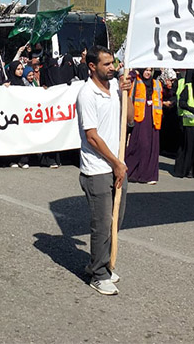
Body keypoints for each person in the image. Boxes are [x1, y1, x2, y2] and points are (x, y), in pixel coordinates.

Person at [75, 46, 132, 296]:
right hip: (98, 168)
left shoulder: (116, 88)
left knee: (115, 222)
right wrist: (115, 163)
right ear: (92, 67)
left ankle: (101, 264)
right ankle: (98, 275)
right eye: (107, 64)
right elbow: (92, 137)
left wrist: (127, 95)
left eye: (113, 63)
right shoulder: (86, 94)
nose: (112, 67)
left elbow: (129, 120)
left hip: (117, 165)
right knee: (102, 224)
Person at [125, 68, 162, 184]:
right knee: (140, 145)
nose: (148, 73)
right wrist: (132, 72)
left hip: (154, 118)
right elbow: (125, 80)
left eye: (150, 70)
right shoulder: (136, 80)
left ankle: (148, 175)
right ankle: (131, 172)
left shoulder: (156, 83)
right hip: (139, 117)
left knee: (152, 147)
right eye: (145, 70)